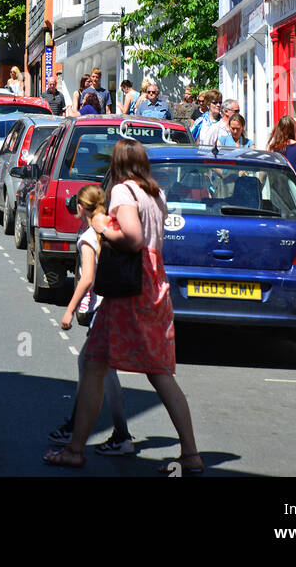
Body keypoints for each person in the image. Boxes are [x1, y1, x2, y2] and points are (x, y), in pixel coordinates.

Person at [44, 139, 202, 473]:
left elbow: (132, 238)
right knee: (159, 371)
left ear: (118, 164)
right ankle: (190, 454)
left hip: (130, 287)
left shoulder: (123, 192)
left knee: (94, 363)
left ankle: (75, 450)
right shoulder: (156, 194)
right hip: (154, 283)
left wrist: (103, 227)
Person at [50, 185, 134, 455]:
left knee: (100, 371)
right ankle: (80, 427)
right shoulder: (111, 226)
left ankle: (119, 434)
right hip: (119, 304)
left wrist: (68, 310)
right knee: (92, 366)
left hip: (103, 309)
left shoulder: (89, 236)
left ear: (81, 208)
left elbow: (86, 279)